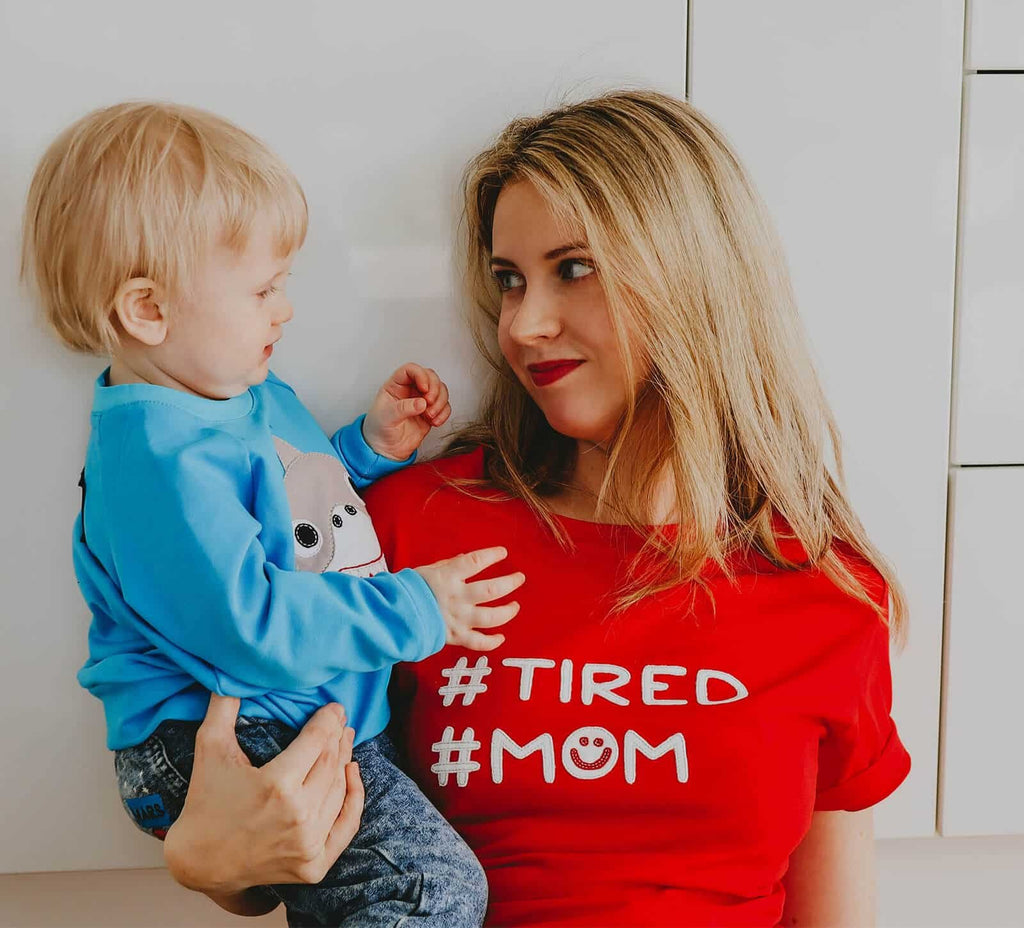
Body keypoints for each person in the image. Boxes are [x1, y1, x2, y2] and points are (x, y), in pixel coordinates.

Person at [158, 90, 911, 926]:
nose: (523, 324)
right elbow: (276, 790)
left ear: (696, 277)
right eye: (509, 280)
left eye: (574, 268)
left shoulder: (824, 586)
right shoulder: (409, 530)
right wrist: (208, 865)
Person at [22, 101, 530, 926]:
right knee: (426, 891)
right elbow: (247, 621)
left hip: (288, 712)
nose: (284, 309)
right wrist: (415, 607)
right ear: (148, 310)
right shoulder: (157, 460)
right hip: (220, 734)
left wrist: (367, 448)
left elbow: (287, 506)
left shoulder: (233, 392)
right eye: (263, 288)